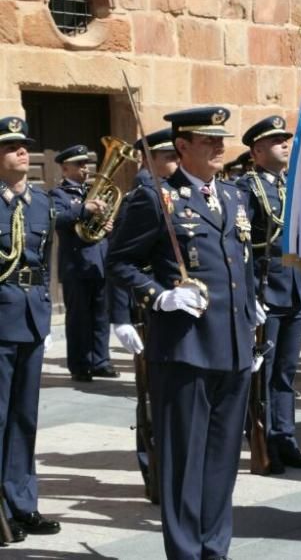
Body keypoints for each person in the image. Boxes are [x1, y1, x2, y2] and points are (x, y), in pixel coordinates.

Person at [107, 106, 264, 559]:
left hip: (233, 347)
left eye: (221, 139)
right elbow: (118, 262)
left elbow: (242, 261)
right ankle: (184, 551)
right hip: (185, 349)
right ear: (181, 147)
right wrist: (159, 296)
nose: (219, 146)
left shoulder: (234, 196)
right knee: (183, 462)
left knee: (221, 462)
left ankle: (215, 549)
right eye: (207, 140)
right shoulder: (157, 198)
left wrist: (250, 306)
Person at [238, 116, 301, 473]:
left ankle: (286, 438)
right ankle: (265, 440)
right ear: (257, 151)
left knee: (286, 372)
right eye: (276, 141)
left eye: (286, 139)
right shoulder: (247, 188)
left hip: (295, 289)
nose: (285, 145)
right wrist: (247, 295)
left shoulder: (293, 186)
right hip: (265, 290)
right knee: (263, 374)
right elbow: (240, 246)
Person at [106, 127, 178, 501]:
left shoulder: (180, 194)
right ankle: (154, 472)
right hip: (146, 310)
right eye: (166, 155)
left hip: (176, 310)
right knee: (150, 398)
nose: (174, 161)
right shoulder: (141, 197)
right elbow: (119, 261)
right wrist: (119, 317)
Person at [0, 116, 61, 542]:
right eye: (11, 147)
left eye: (25, 146)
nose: (23, 151)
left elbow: (46, 259)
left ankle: (22, 503)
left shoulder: (40, 203)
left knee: (24, 418)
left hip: (32, 318)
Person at [50, 144, 118, 382]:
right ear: (65, 168)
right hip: (76, 266)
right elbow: (57, 220)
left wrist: (108, 227)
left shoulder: (94, 192)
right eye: (79, 164)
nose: (85, 168)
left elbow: (103, 224)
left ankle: (101, 361)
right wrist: (84, 209)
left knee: (101, 316)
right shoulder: (58, 195)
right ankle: (79, 365)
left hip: (98, 263)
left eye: (86, 163)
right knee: (78, 318)